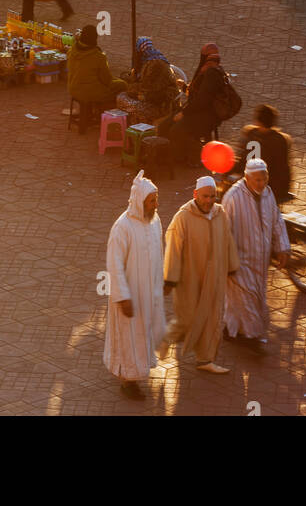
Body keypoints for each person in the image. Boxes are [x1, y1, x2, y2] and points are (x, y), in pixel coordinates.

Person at [163, 175, 239, 374]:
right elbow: (173, 248)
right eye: (205, 196)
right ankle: (163, 340)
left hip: (214, 278)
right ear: (195, 194)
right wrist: (170, 278)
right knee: (187, 318)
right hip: (190, 279)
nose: (208, 201)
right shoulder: (183, 217)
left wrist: (231, 266)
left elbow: (228, 240)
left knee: (212, 318)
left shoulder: (220, 214)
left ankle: (205, 359)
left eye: (212, 197)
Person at [103, 170, 167, 400]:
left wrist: (161, 281)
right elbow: (114, 264)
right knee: (128, 338)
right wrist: (122, 296)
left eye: (156, 199)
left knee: (142, 334)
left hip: (148, 293)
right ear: (140, 201)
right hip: (129, 297)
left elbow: (159, 253)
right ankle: (127, 380)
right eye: (152, 200)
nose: (156, 204)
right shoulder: (122, 228)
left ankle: (138, 371)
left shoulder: (154, 221)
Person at [222, 158, 290, 353]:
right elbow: (224, 231)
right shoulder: (233, 197)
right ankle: (252, 337)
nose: (261, 183)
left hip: (261, 261)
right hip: (239, 261)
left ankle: (231, 330)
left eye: (264, 179)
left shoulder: (268, 194)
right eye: (257, 180)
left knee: (245, 299)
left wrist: (282, 247)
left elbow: (276, 221)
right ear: (247, 178)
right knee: (248, 298)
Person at [168, 44, 230, 161]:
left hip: (206, 115)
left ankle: (196, 155)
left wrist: (184, 113)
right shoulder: (208, 71)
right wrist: (185, 87)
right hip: (198, 110)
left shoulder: (212, 73)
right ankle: (175, 155)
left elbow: (202, 101)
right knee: (165, 125)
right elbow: (199, 93)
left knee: (175, 130)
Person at [236, 105, 294, 204]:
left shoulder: (249, 133)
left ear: (257, 121)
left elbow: (241, 159)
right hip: (270, 187)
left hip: (248, 183)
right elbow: (283, 168)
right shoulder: (281, 140)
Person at [67, 24, 122, 107]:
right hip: (91, 93)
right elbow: (107, 80)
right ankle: (105, 114)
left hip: (73, 89)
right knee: (122, 85)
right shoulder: (99, 57)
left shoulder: (72, 51)